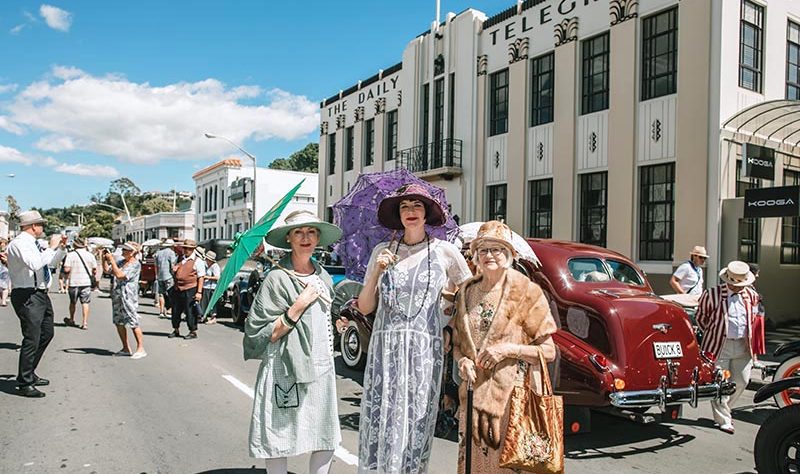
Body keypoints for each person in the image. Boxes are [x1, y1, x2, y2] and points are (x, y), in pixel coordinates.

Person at [357, 184, 472, 473]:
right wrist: (375, 275)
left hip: (424, 348)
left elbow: (469, 295)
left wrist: (451, 329)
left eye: (417, 205)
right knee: (383, 416)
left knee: (416, 419)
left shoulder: (445, 252)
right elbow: (365, 307)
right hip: (385, 349)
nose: (410, 211)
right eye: (404, 206)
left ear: (427, 213)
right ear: (398, 214)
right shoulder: (382, 251)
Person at [451, 221, 559, 473]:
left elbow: (549, 351)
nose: (490, 255)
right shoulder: (466, 293)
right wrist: (462, 362)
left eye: (497, 249)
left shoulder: (527, 293)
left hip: (513, 399)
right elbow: (458, 346)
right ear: (475, 256)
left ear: (509, 255)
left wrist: (508, 349)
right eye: (484, 250)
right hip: (474, 399)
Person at [244, 210, 345, 474]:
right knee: (280, 436)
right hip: (285, 367)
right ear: (288, 238)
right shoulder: (276, 279)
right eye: (298, 232)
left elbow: (322, 319)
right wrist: (298, 306)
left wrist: (337, 321)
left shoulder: (322, 276)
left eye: (311, 231)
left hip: (322, 365)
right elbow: (260, 332)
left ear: (318, 238)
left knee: (326, 436)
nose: (305, 237)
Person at [696, 260, 760, 435]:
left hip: (742, 345)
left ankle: (725, 409)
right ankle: (724, 419)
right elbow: (701, 318)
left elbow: (753, 320)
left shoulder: (752, 296)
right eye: (735, 284)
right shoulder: (712, 294)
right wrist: (715, 333)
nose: (739, 288)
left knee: (742, 381)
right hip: (719, 346)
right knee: (720, 384)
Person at [5, 210, 63, 397]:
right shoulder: (20, 244)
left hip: (40, 293)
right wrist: (52, 248)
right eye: (41, 224)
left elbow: (50, 264)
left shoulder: (33, 243)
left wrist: (59, 249)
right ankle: (24, 382)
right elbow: (35, 264)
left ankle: (29, 372)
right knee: (32, 338)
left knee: (47, 333)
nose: (43, 228)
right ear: (33, 226)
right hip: (27, 293)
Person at [102, 242, 147, 359]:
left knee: (133, 321)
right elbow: (108, 270)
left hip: (128, 296)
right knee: (118, 322)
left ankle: (140, 348)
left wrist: (111, 260)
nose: (123, 252)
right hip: (117, 295)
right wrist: (104, 259)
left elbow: (120, 275)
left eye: (126, 250)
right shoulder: (121, 262)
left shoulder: (135, 264)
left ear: (132, 252)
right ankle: (125, 347)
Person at [169, 239, 205, 340]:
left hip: (190, 288)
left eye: (188, 249)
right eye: (185, 248)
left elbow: (201, 277)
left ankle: (192, 331)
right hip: (178, 288)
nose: (186, 250)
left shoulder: (198, 261)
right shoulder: (180, 259)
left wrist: (199, 292)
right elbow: (174, 271)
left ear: (193, 249)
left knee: (190, 312)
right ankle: (176, 329)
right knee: (176, 311)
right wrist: (174, 270)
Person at [62, 237, 98, 330]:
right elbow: (94, 269)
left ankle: (72, 319)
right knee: (85, 302)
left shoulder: (70, 255)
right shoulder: (90, 255)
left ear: (75, 245)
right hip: (86, 282)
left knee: (73, 302)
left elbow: (66, 269)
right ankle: (85, 322)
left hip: (74, 281)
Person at [154, 239, 177, 318]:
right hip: (169, 276)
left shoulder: (158, 253)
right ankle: (169, 310)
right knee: (170, 293)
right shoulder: (171, 253)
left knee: (161, 294)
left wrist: (156, 275)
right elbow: (172, 265)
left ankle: (161, 311)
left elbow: (156, 266)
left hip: (160, 276)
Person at [200, 250, 220, 324]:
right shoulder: (206, 265)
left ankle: (213, 317)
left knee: (211, 303)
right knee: (204, 303)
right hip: (205, 286)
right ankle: (204, 316)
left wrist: (207, 277)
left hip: (212, 287)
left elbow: (217, 277)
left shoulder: (215, 266)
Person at [0, 238, 10, 306]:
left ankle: (3, 300)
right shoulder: (7, 251)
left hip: (4, 269)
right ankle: (3, 301)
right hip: (5, 269)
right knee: (5, 286)